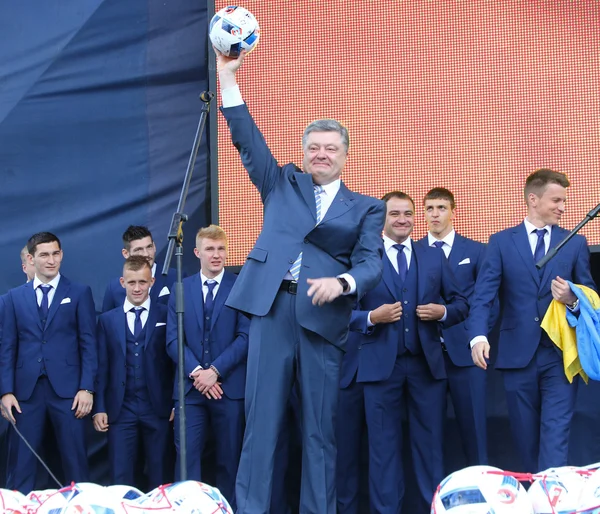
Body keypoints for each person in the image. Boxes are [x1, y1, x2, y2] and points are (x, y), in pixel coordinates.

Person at [216, 49, 386, 514]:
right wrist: (228, 79)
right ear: (305, 152)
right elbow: (247, 140)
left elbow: (372, 263)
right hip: (271, 312)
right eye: (314, 147)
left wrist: (344, 283)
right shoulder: (280, 183)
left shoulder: (367, 207)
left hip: (322, 319)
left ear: (346, 156)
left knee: (319, 432)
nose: (322, 155)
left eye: (331, 148)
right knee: (261, 425)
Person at [336, 191, 469, 514]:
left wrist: (443, 313)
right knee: (383, 452)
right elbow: (339, 314)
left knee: (430, 450)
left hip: (427, 368)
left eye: (408, 213)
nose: (402, 219)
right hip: (379, 369)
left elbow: (462, 304)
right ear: (382, 219)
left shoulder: (433, 256)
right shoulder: (363, 257)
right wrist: (371, 317)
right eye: (394, 213)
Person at [468, 168, 596, 473]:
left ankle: (551, 500)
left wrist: (573, 298)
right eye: (556, 200)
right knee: (525, 440)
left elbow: (591, 298)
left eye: (564, 201)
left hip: (560, 356)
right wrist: (477, 336)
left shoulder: (575, 242)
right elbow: (483, 296)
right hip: (517, 356)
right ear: (533, 199)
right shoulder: (500, 242)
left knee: (555, 437)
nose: (562, 208)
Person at [0, 232, 97, 493]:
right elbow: (7, 348)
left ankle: (82, 508)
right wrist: (5, 391)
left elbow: (88, 344)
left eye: (55, 253)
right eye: (44, 254)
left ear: (62, 255)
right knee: (22, 464)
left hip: (68, 393)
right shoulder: (12, 298)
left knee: (75, 462)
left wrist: (86, 388)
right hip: (25, 394)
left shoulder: (79, 293)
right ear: (31, 259)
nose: (51, 260)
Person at [166, 225, 248, 510]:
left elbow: (246, 336)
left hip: (229, 389)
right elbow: (173, 339)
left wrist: (215, 371)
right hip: (190, 392)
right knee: (187, 463)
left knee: (230, 459)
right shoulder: (181, 287)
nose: (216, 255)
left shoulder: (240, 285)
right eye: (210, 249)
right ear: (197, 252)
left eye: (221, 249)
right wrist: (198, 373)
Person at [420, 187, 494, 466]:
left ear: (453, 211)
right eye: (429, 208)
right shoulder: (413, 251)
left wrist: (475, 339)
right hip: (425, 357)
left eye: (441, 207)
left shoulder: (476, 250)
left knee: (475, 432)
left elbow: (488, 302)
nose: (435, 214)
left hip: (467, 356)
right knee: (427, 436)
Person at [93, 255, 174, 489]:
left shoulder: (166, 314)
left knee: (161, 476)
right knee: (121, 477)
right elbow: (102, 366)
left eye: (142, 282)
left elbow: (174, 362)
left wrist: (175, 402)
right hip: (121, 409)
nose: (137, 288)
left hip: (157, 407)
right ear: (122, 282)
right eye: (131, 282)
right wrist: (100, 407)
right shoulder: (107, 321)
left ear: (152, 281)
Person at [103, 225, 177, 312]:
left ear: (154, 246)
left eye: (149, 247)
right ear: (125, 253)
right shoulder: (114, 288)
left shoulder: (175, 277)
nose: (146, 254)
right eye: (139, 250)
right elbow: (107, 322)